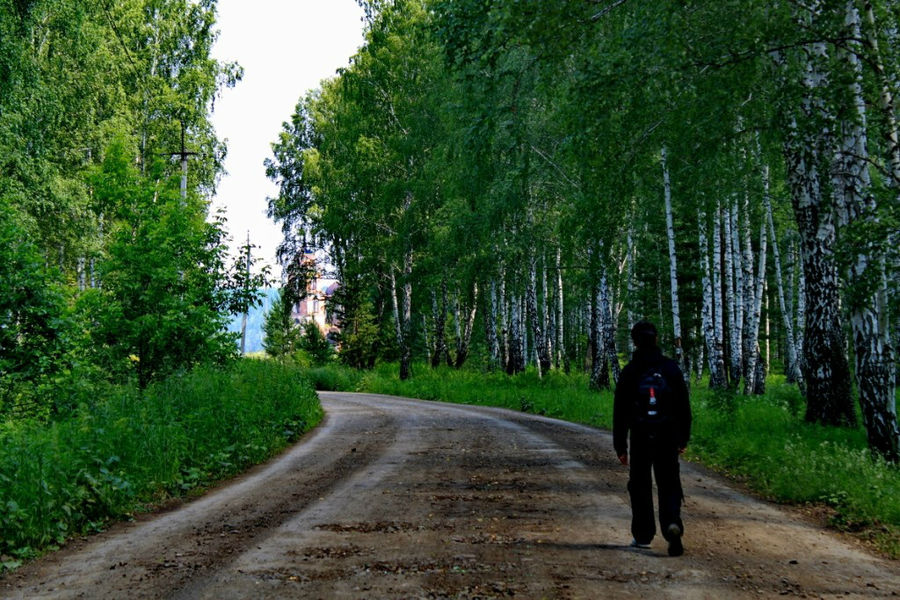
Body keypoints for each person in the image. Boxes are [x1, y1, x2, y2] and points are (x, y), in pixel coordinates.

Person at [613, 320, 692, 556]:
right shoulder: (670, 369)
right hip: (667, 436)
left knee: (639, 485)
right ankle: (671, 526)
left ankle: (643, 535)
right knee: (669, 483)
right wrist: (683, 438)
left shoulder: (630, 371)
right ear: (656, 339)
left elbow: (620, 412)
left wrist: (620, 445)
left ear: (635, 341)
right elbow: (683, 407)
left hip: (640, 437)